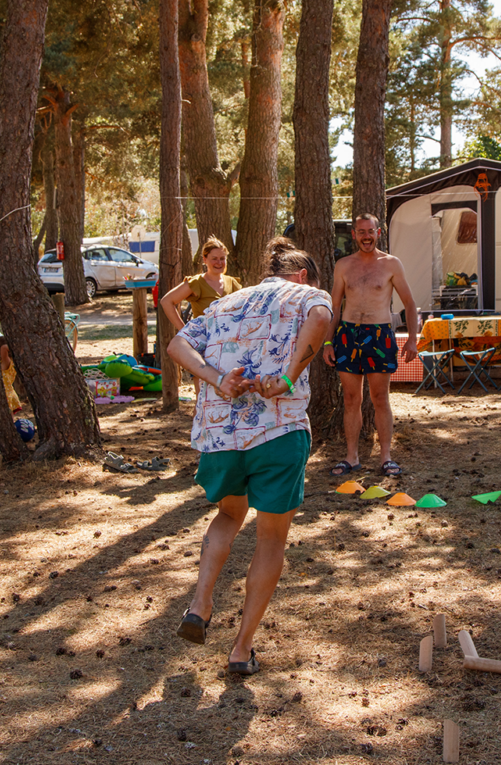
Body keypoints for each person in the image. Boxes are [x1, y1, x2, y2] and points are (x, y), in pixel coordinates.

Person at [166, 237, 332, 676]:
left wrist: (217, 379)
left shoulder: (225, 301)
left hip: (221, 434)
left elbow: (177, 346)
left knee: (227, 515)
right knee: (271, 538)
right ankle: (240, 651)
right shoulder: (306, 294)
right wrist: (288, 377)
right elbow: (321, 317)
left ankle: (200, 603)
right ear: (302, 275)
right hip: (278, 432)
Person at [322, 213, 418, 478]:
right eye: (361, 232)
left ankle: (386, 457)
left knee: (380, 398)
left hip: (379, 335)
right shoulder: (343, 265)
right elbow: (335, 306)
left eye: (370, 231)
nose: (366, 236)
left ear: (378, 233)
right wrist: (328, 341)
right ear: (354, 234)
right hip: (347, 335)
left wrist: (412, 338)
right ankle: (351, 457)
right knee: (351, 399)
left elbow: (410, 303)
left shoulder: (391, 264)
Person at [160, 236, 244, 396]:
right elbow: (167, 301)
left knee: (225, 394)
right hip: (204, 343)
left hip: (228, 343)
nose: (219, 262)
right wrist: (184, 330)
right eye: (214, 258)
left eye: (222, 258)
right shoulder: (196, 282)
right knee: (202, 396)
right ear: (205, 259)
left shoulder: (232, 283)